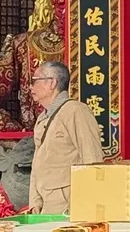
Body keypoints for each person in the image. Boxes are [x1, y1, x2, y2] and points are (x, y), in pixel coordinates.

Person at [28, 61, 104, 214]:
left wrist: (84, 203)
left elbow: (92, 159)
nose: (31, 87)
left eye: (35, 80)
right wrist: (34, 201)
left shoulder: (75, 111)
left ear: (52, 83)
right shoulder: (43, 117)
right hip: (45, 203)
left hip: (68, 202)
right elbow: (37, 162)